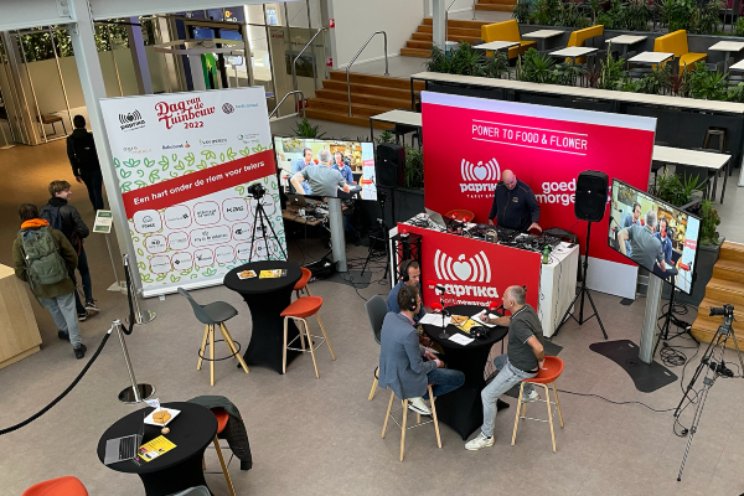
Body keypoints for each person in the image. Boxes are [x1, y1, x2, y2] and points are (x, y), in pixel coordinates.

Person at [465, 285, 544, 450]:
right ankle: (528, 391)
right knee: (499, 362)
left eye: (504, 297)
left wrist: (540, 362)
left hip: (520, 367)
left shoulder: (519, 324)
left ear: (512, 302)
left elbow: (538, 348)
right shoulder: (526, 309)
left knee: (487, 395)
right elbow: (510, 320)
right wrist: (491, 321)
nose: (501, 299)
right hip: (521, 361)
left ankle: (486, 436)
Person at [12, 203, 87, 359]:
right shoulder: (54, 233)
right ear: (38, 215)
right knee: (69, 310)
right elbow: (71, 255)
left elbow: (19, 267)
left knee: (53, 308)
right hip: (62, 280)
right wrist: (66, 270)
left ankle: (64, 331)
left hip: (40, 285)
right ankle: (77, 345)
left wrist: (32, 278)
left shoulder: (19, 241)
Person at [378, 284, 465, 415]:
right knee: (460, 377)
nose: (421, 304)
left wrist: (425, 352)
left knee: (437, 360)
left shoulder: (389, 317)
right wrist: (436, 363)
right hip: (406, 378)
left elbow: (403, 346)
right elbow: (418, 368)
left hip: (390, 371)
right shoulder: (409, 333)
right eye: (419, 301)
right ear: (413, 306)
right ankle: (423, 395)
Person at [40, 180, 98, 321]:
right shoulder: (69, 209)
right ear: (57, 193)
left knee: (70, 279)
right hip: (75, 248)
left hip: (58, 252)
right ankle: (89, 301)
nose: (70, 192)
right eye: (67, 190)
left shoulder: (43, 211)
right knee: (84, 271)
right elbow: (84, 231)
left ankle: (80, 312)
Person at [67, 115, 104, 211]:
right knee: (97, 190)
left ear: (74, 124)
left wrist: (75, 172)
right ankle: (100, 210)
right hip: (96, 167)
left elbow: (71, 157)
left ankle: (96, 208)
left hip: (82, 169)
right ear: (84, 123)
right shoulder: (91, 136)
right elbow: (98, 152)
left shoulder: (70, 139)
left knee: (90, 189)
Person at [617, 210, 667, 275]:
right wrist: (658, 263)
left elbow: (620, 234)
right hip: (644, 278)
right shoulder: (657, 243)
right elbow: (664, 268)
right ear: (655, 224)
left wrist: (625, 259)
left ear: (645, 220)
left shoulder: (634, 229)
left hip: (629, 272)